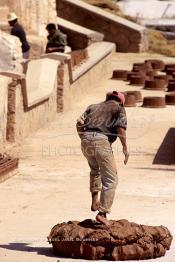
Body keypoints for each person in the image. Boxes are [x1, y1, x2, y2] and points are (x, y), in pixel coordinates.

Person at [76, 91, 129, 226]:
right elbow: (120, 129)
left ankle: (95, 200)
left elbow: (79, 123)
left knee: (95, 170)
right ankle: (102, 213)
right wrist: (125, 148)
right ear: (121, 101)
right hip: (101, 141)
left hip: (85, 140)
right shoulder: (119, 108)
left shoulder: (92, 106)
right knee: (111, 179)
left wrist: (84, 138)